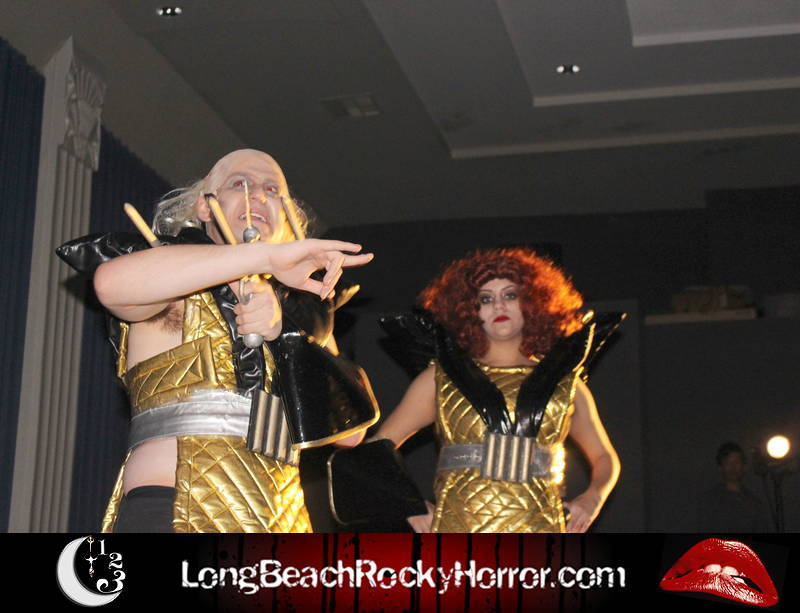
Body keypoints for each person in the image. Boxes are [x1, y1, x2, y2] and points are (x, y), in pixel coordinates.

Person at [57, 149, 374, 533]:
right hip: (175, 506)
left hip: (282, 522)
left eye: (272, 190)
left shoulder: (301, 313)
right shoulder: (167, 265)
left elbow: (350, 432)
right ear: (205, 207)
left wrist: (284, 335)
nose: (258, 195)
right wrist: (262, 259)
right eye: (240, 183)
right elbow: (110, 285)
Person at [375, 248, 620, 533]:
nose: (499, 306)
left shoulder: (567, 384)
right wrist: (410, 504)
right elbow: (376, 450)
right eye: (486, 299)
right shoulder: (439, 380)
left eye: (510, 295)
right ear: (468, 309)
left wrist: (593, 498)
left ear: (533, 302)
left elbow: (604, 457)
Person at [697, 442, 770, 532]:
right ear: (720, 467)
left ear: (744, 467)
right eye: (728, 463)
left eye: (737, 462)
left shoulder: (754, 503)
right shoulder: (709, 500)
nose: (733, 467)